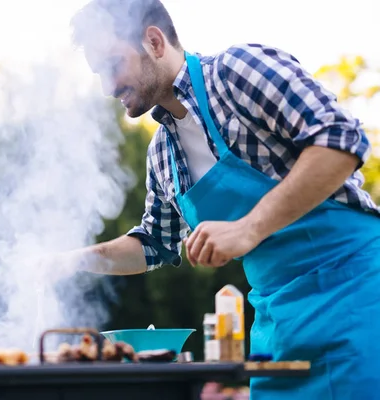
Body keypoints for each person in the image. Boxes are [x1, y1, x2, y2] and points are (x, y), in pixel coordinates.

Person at [65, 0, 380, 397]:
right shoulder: (162, 153)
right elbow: (153, 245)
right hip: (280, 325)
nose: (108, 87)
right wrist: (70, 262)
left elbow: (340, 140)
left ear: (154, 41)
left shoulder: (235, 72)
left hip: (358, 295)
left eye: (113, 65)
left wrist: (249, 228)